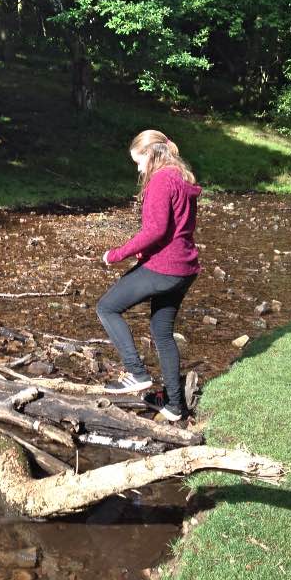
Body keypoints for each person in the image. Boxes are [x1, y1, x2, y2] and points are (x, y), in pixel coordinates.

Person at [97, 130, 201, 421]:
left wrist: (116, 254)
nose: (139, 168)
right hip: (184, 269)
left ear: (152, 155)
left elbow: (155, 230)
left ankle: (136, 373)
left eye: (139, 161)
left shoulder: (161, 180)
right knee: (162, 333)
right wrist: (144, 253)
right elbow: (172, 230)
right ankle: (173, 406)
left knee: (107, 307)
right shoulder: (180, 176)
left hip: (165, 268)